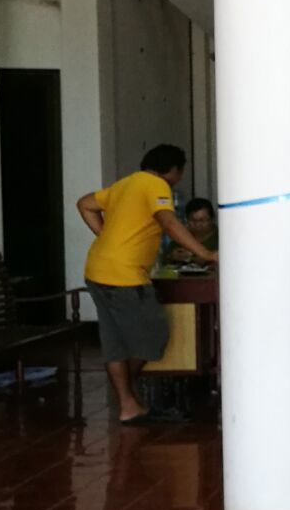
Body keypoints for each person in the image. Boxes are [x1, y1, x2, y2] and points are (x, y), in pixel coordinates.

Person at [77, 144, 216, 425]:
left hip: (97, 269)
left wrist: (107, 239)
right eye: (180, 172)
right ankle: (127, 394)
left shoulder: (126, 184)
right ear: (173, 170)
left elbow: (85, 204)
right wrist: (206, 254)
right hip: (123, 276)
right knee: (154, 335)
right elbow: (168, 222)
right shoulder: (156, 185)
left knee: (115, 342)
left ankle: (128, 405)